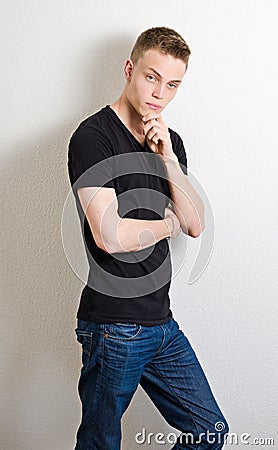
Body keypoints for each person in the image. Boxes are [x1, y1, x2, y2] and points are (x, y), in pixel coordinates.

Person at [68, 26, 229, 450]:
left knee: (210, 430)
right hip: (113, 324)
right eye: (151, 76)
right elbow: (110, 235)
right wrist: (166, 225)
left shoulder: (168, 140)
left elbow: (195, 224)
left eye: (172, 84)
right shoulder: (93, 137)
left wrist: (170, 159)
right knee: (100, 443)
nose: (160, 93)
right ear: (130, 69)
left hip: (161, 324)